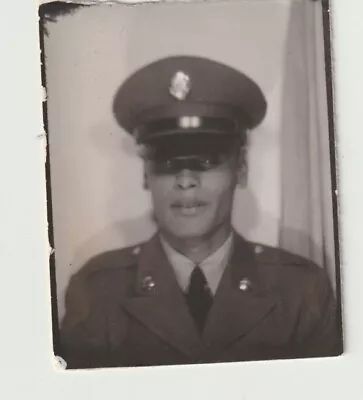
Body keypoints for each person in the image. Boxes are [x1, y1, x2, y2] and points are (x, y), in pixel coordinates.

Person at [59, 56, 342, 369]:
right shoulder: (97, 292)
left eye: (207, 160)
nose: (185, 180)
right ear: (145, 176)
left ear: (241, 169)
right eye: (166, 161)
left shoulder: (301, 291)